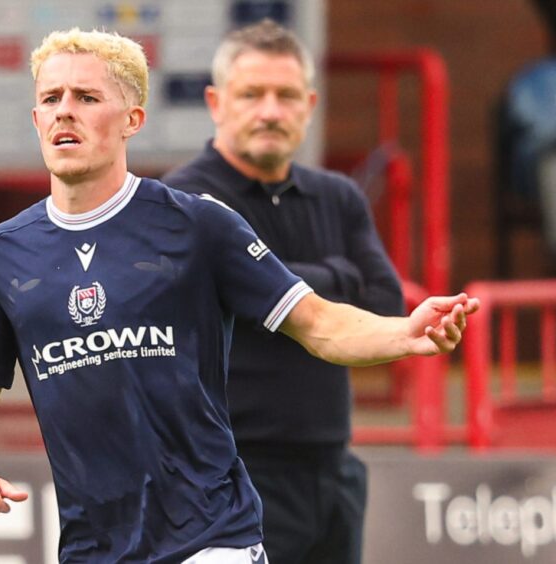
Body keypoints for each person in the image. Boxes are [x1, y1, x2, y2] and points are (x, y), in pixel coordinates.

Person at [0, 27, 478, 564]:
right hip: (92, 548)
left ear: (132, 120)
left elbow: (319, 324)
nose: (64, 112)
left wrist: (405, 331)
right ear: (35, 119)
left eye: (86, 97)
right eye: (51, 99)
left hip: (211, 538)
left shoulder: (197, 224)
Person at [162, 19, 404, 564]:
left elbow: (387, 305)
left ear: (310, 103)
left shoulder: (338, 196)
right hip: (231, 476)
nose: (270, 110)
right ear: (216, 102)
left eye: (286, 95)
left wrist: (264, 285)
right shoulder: (183, 200)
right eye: (251, 94)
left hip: (334, 468)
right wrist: (340, 277)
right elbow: (226, 297)